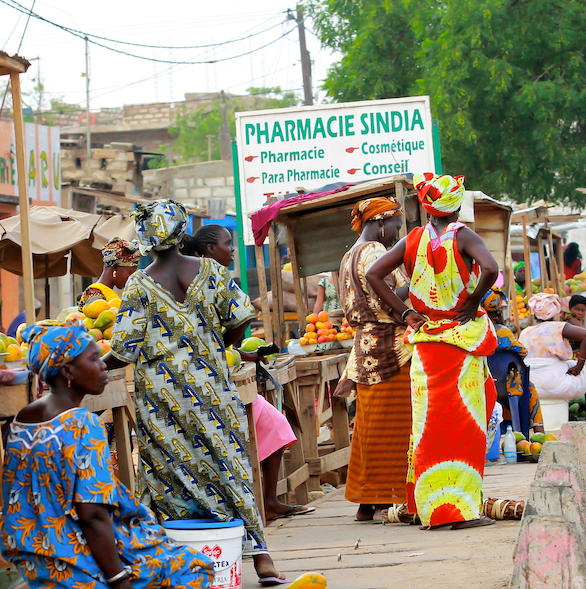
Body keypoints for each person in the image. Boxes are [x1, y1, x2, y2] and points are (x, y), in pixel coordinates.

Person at [3, 321, 213, 589]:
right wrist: (125, 588)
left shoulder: (25, 418)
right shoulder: (82, 425)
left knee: (149, 541)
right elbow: (93, 516)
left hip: (33, 555)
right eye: (94, 359)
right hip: (76, 563)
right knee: (195, 566)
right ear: (68, 370)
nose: (104, 365)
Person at [111, 200, 282, 582]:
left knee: (170, 471)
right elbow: (241, 320)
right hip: (212, 389)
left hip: (161, 398)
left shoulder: (139, 283)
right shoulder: (212, 271)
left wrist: (78, 364)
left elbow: (123, 349)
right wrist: (216, 342)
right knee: (229, 464)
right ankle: (260, 556)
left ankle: (177, 558)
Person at [365, 174, 499, 529]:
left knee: (428, 426)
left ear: (425, 208)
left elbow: (374, 275)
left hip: (425, 345)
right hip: (461, 343)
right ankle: (459, 511)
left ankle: (426, 507)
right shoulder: (463, 235)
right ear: (455, 205)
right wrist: (472, 301)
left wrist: (405, 312)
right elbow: (491, 269)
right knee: (464, 425)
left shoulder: (413, 239)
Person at [180, 225, 312, 522]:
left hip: (219, 372)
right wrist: (221, 346)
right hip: (212, 381)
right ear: (210, 250)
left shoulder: (197, 276)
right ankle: (258, 503)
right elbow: (236, 320)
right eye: (228, 244)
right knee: (266, 428)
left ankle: (268, 500)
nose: (232, 250)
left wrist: (245, 354)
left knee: (275, 425)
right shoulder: (209, 277)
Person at [331, 197, 411, 523]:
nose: (395, 233)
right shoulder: (376, 252)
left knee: (367, 426)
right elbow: (388, 296)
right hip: (390, 347)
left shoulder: (348, 255)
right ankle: (387, 500)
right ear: (380, 222)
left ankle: (367, 501)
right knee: (394, 425)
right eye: (394, 226)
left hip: (364, 349)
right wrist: (417, 284)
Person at [520, 293, 586, 415]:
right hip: (558, 386)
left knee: (566, 364)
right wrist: (579, 367)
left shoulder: (525, 332)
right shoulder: (559, 327)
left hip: (530, 388)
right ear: (555, 311)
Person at [482, 289, 543, 436]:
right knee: (530, 389)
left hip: (481, 385)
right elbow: (522, 353)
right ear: (497, 314)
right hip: (508, 387)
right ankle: (539, 433)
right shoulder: (503, 333)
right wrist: (502, 325)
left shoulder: (471, 333)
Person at [79, 238, 139, 309]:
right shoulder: (95, 294)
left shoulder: (103, 293)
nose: (131, 278)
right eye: (130, 273)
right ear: (115, 267)